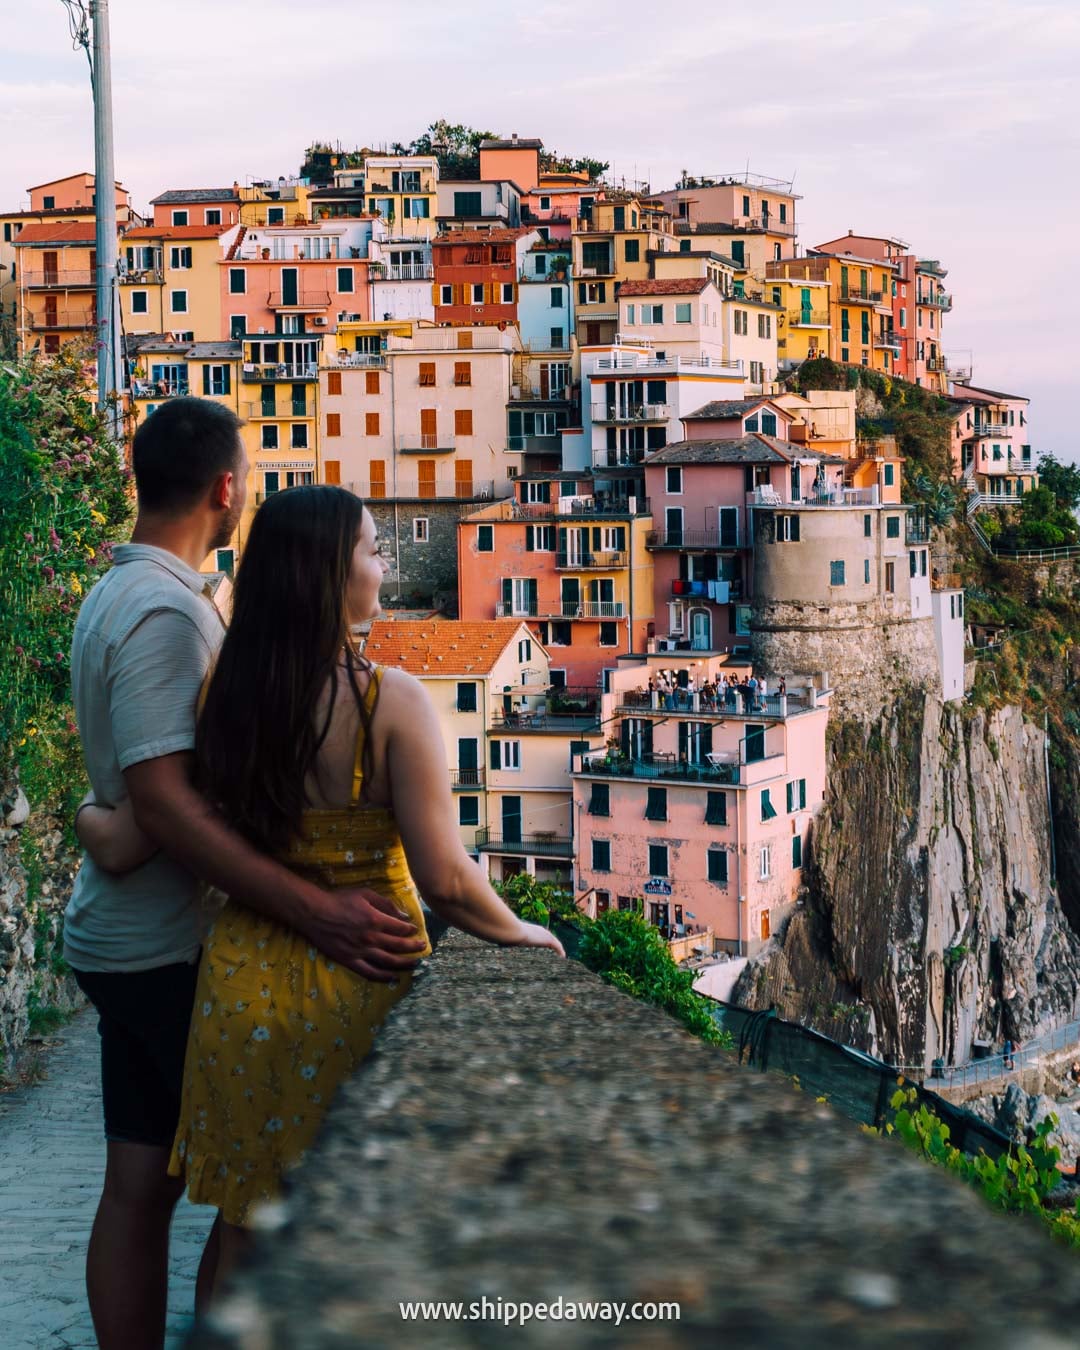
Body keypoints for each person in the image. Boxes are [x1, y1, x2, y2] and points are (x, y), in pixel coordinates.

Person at [80, 486, 564, 1295]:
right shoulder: (391, 702)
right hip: (357, 985)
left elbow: (144, 820)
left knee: (240, 1231)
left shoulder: (222, 699)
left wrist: (91, 818)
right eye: (374, 551)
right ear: (332, 577)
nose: (385, 565)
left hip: (239, 986)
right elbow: (445, 877)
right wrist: (519, 932)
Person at [68, 400, 427, 1350]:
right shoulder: (164, 612)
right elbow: (172, 799)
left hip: (127, 930)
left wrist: (101, 822)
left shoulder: (119, 593)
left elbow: (144, 791)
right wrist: (317, 911)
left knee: (145, 1184)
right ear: (227, 489)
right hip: (161, 943)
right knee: (248, 1194)